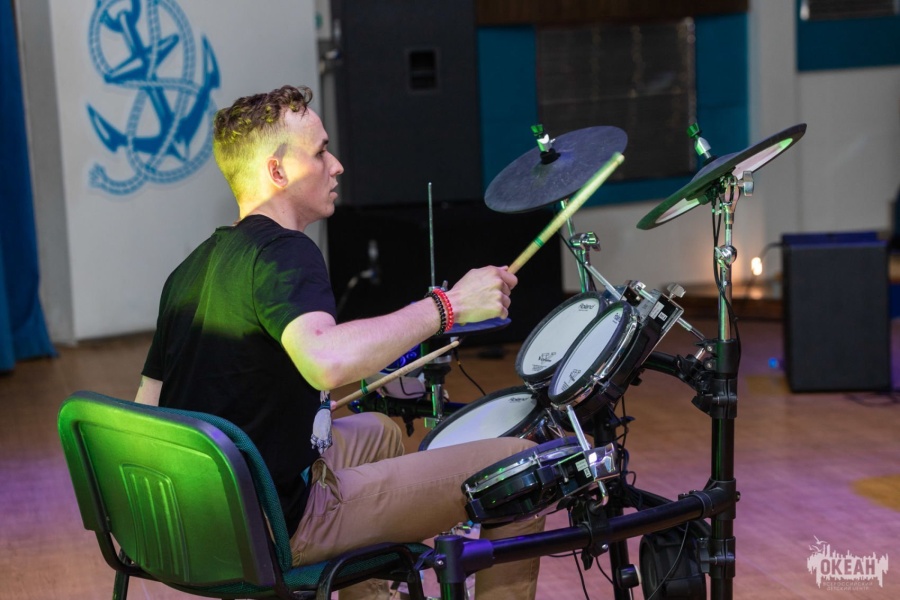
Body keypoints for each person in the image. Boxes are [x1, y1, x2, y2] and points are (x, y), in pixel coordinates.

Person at [135, 84, 544, 599]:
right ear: (278, 172)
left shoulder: (189, 270)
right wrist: (449, 306)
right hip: (275, 527)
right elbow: (326, 361)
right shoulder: (286, 252)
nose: (337, 165)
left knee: (378, 431)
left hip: (199, 521)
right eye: (321, 152)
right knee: (520, 469)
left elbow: (147, 405)